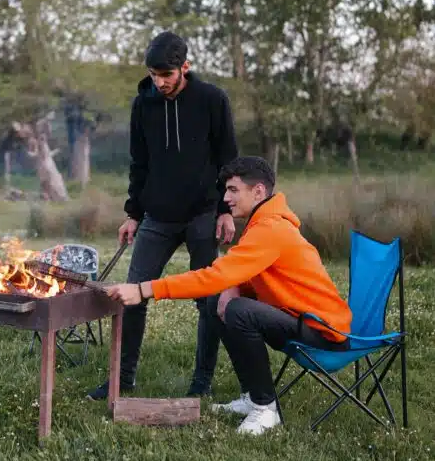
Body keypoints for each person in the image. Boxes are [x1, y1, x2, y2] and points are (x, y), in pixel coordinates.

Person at [106, 156, 352, 436]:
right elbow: (247, 275)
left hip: (324, 334)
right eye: (226, 190)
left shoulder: (271, 228)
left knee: (238, 311)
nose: (226, 198)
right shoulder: (265, 222)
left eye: (233, 190)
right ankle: (252, 396)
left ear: (258, 191)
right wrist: (233, 288)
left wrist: (143, 289)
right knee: (218, 301)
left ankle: (265, 407)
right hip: (300, 319)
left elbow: (213, 276)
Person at [88, 31, 238, 401]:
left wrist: (225, 210)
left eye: (166, 75)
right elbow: (139, 164)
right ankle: (123, 377)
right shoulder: (144, 106)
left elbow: (229, 159)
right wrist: (133, 214)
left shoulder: (212, 100)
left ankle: (201, 382)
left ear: (184, 67)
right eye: (154, 75)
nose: (160, 82)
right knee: (133, 293)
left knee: (208, 300)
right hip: (157, 216)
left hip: (203, 212)